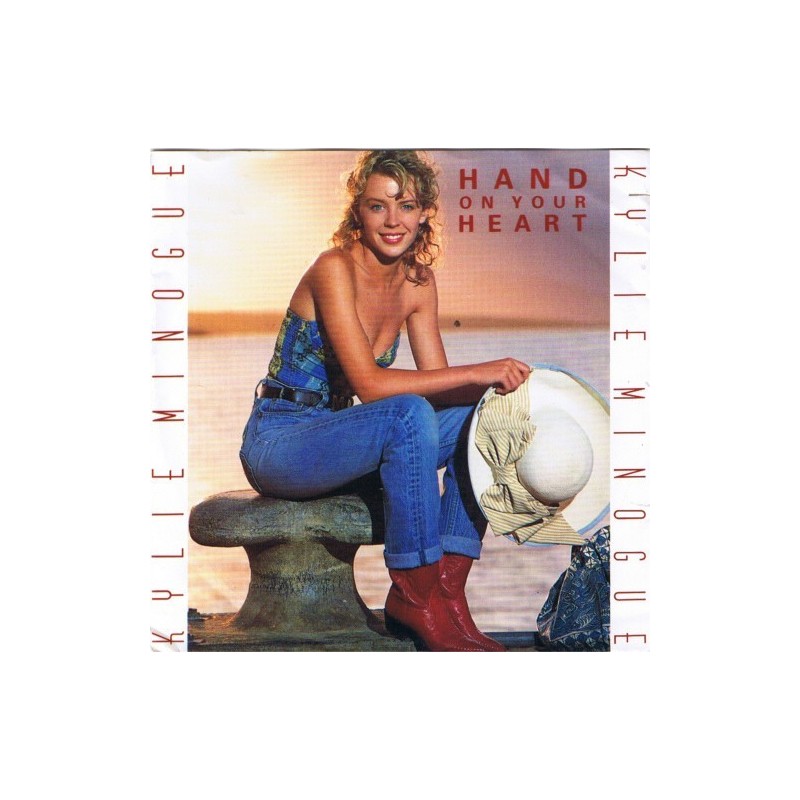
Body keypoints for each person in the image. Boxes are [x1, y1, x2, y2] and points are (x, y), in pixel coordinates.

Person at [239, 150, 530, 652]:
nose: (393, 220)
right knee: (407, 413)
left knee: (478, 420)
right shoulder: (334, 268)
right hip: (280, 440)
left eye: (406, 206)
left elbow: (438, 387)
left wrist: (506, 389)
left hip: (340, 437)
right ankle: (415, 595)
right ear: (359, 211)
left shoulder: (418, 282)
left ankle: (446, 593)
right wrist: (480, 369)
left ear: (424, 214)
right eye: (378, 206)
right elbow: (371, 386)